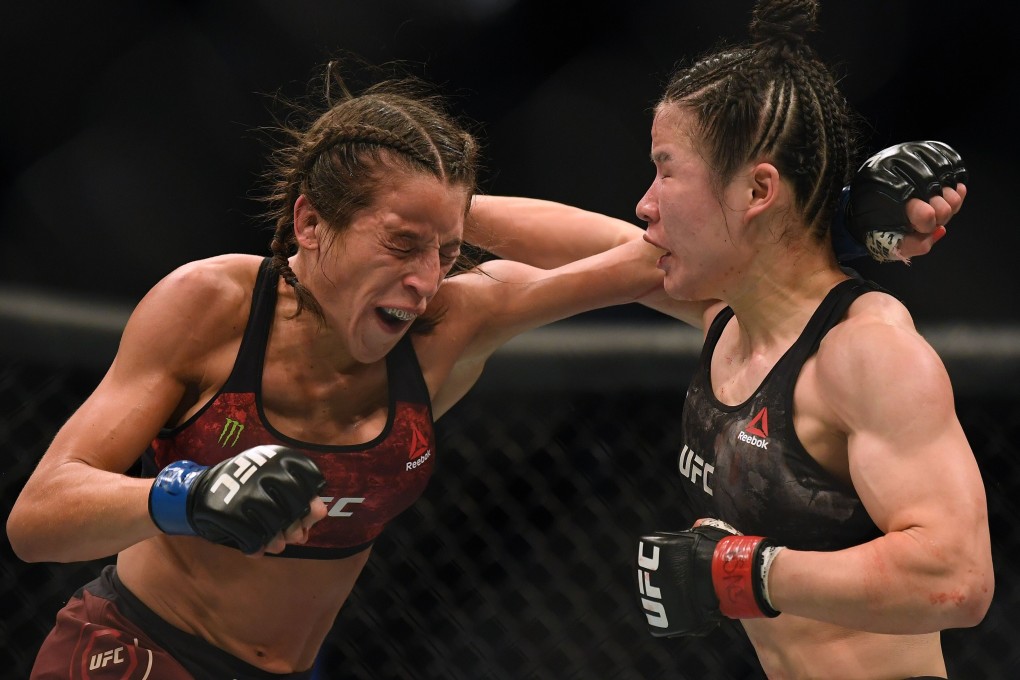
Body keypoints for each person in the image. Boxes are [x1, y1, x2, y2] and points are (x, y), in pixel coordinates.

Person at [6, 48, 966, 680]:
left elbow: (674, 262)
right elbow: (36, 518)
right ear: (308, 222)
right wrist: (187, 496)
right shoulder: (211, 308)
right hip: (132, 650)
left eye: (447, 246)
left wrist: (836, 217)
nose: (427, 279)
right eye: (399, 245)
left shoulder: (455, 323)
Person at [468, 1, 991, 679]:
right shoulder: (731, 318)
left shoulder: (864, 352)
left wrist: (744, 573)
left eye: (667, 168)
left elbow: (957, 579)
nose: (646, 201)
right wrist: (437, 215)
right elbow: (594, 244)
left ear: (757, 188)